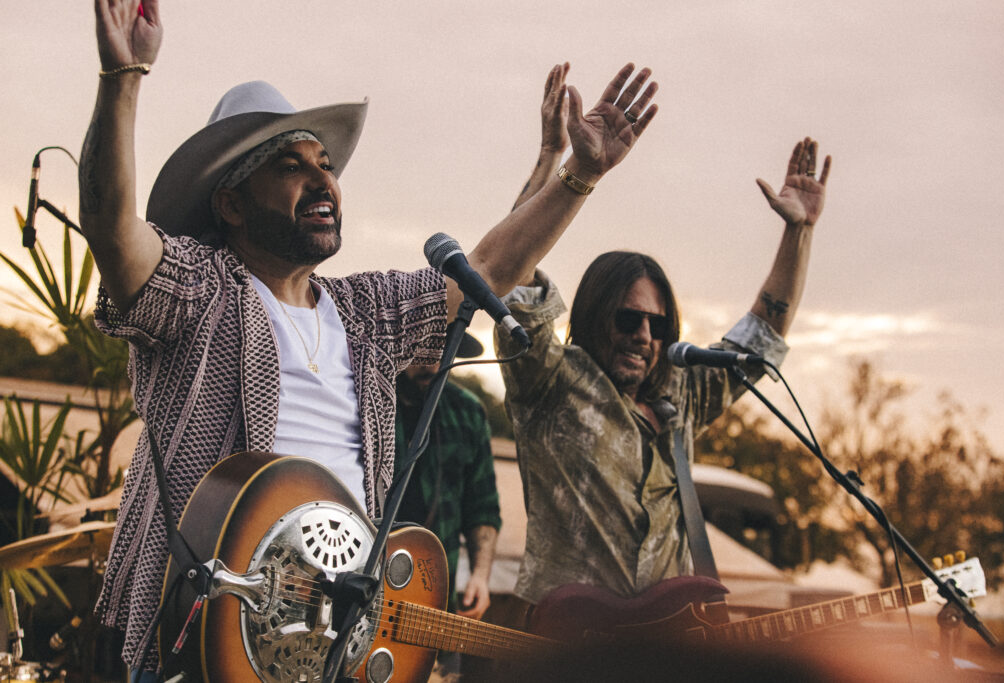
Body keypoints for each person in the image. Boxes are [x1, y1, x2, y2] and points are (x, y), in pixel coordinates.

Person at [81, 1, 659, 676]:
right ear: (231, 203)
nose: (324, 179)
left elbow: (494, 267)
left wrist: (577, 177)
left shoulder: (365, 312)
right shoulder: (202, 289)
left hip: (322, 653)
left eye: (325, 163)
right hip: (199, 648)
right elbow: (112, 229)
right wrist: (123, 77)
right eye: (290, 165)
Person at [495, 63, 830, 607]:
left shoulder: (680, 399)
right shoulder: (551, 381)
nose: (644, 335)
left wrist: (799, 232)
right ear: (596, 316)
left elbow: (760, 337)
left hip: (658, 652)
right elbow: (513, 276)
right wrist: (555, 159)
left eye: (657, 324)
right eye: (628, 319)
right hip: (564, 649)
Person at [394, 333, 500, 677]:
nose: (432, 361)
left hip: (438, 609)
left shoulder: (468, 411)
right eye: (422, 346)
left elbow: (482, 505)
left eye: (443, 349)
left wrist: (480, 577)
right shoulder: (369, 401)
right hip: (365, 599)